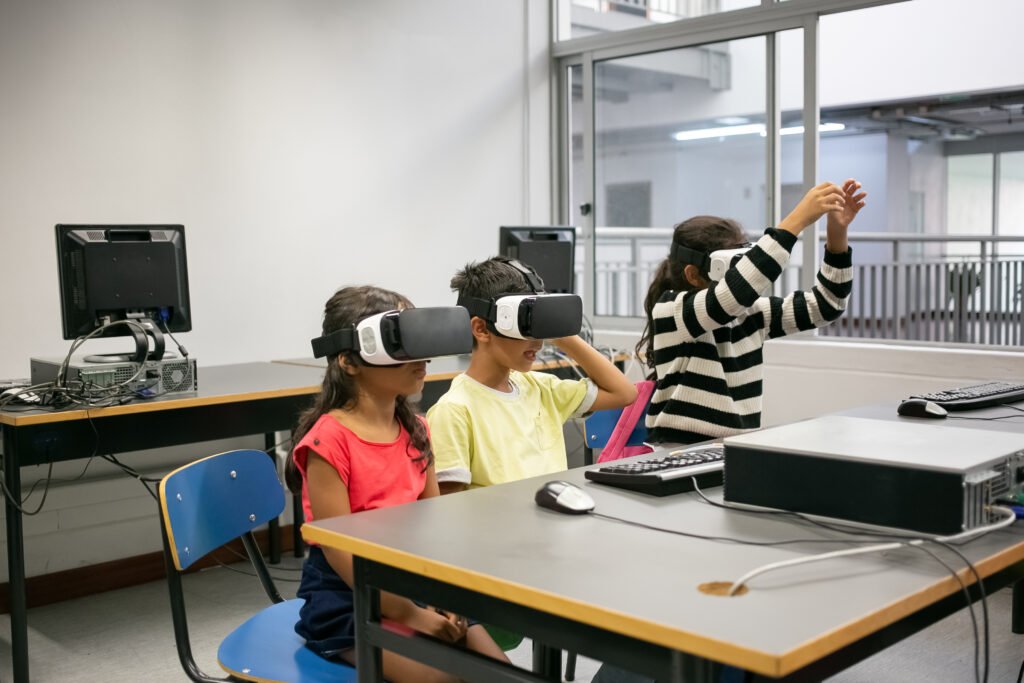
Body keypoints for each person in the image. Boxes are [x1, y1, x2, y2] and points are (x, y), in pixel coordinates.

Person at [285, 285, 508, 683]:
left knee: (502, 674)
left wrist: (443, 598)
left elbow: (434, 525)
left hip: (414, 580)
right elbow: (341, 552)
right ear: (349, 361)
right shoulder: (328, 442)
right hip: (347, 597)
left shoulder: (416, 428)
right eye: (400, 344)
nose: (421, 359)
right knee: (448, 680)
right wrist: (410, 614)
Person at [636, 179, 866, 445]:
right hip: (678, 448)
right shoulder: (672, 311)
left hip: (734, 448)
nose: (741, 272)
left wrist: (837, 235)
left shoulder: (750, 314)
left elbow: (826, 305)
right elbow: (729, 298)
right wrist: (796, 220)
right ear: (693, 275)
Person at [427, 256, 637, 494]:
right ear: (482, 329)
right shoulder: (453, 411)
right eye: (524, 327)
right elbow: (449, 510)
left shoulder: (542, 388)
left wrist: (561, 332)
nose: (538, 342)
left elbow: (625, 393)